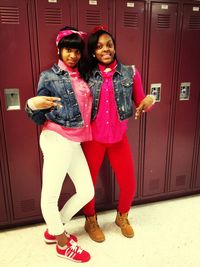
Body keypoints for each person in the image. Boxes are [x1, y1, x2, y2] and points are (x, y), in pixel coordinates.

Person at [25, 26, 94, 263]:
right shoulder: (49, 76)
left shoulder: (82, 75)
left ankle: (55, 228)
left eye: (76, 51)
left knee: (87, 191)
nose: (73, 55)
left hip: (75, 140)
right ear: (59, 49)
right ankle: (62, 244)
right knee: (50, 196)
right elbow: (37, 115)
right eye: (68, 50)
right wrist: (32, 104)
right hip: (56, 138)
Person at [82, 26, 155, 242]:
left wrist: (149, 102)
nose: (106, 50)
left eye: (109, 45)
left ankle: (122, 217)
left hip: (118, 139)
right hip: (93, 140)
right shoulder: (86, 74)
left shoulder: (130, 72)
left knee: (129, 183)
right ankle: (90, 220)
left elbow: (141, 101)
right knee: (88, 185)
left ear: (114, 47)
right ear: (93, 52)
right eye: (100, 46)